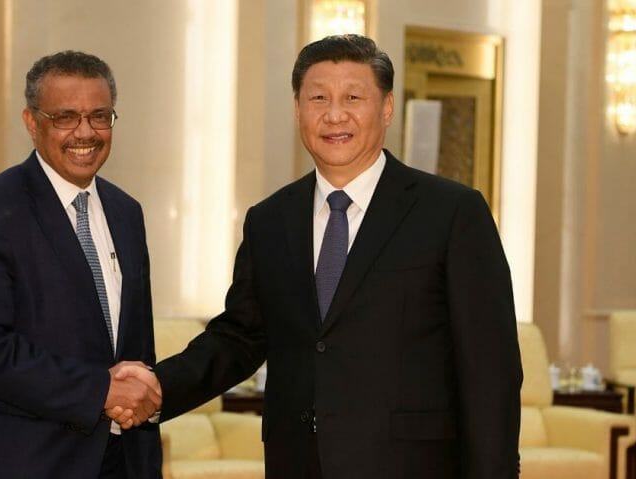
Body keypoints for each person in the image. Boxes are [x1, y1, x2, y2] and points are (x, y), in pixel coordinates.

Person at [115, 34, 522, 478]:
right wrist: (158, 386)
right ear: (297, 110)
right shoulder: (270, 220)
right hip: (298, 463)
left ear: (386, 108)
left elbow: (490, 370)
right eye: (318, 98)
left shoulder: (451, 213)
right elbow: (240, 336)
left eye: (353, 97)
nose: (334, 115)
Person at [0, 50, 162, 479]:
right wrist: (101, 390)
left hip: (121, 462)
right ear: (31, 122)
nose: (85, 132)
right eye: (65, 117)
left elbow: (135, 345)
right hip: (21, 462)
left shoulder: (126, 212)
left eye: (99, 116)